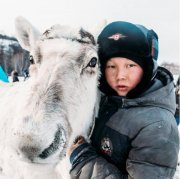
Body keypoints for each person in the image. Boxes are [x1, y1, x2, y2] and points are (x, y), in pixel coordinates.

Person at [67, 21, 179, 179]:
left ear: (148, 70)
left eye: (130, 65)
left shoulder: (158, 127)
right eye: (111, 66)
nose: (120, 75)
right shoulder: (107, 101)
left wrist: (84, 160)